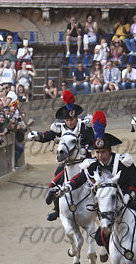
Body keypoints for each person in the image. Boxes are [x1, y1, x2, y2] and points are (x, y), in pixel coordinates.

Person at [57, 111, 136, 264]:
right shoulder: (92, 164)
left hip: (132, 197)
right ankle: (114, 254)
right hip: (111, 203)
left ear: (109, 151)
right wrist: (67, 187)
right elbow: (79, 178)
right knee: (101, 236)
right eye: (97, 152)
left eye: (103, 152)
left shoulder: (122, 162)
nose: (100, 156)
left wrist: (129, 195)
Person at [27, 90, 94, 221]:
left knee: (99, 181)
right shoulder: (60, 128)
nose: (70, 122)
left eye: (72, 119)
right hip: (67, 163)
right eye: (68, 120)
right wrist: (37, 136)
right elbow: (47, 136)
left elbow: (93, 141)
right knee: (55, 185)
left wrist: (85, 148)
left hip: (85, 161)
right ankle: (57, 209)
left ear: (76, 117)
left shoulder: (85, 126)